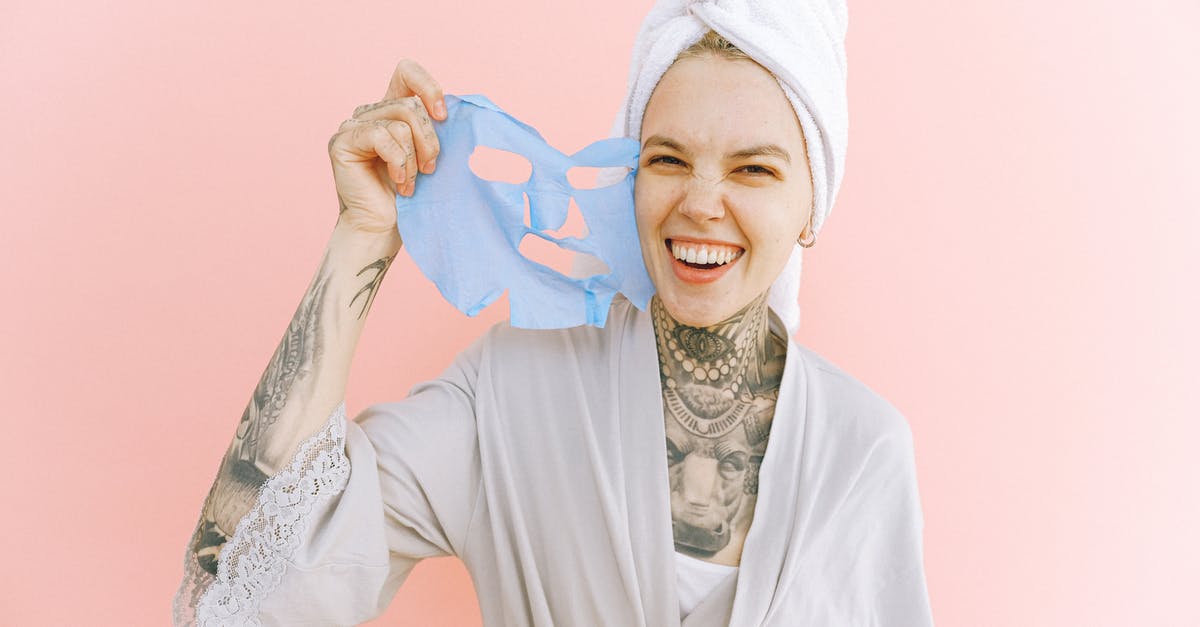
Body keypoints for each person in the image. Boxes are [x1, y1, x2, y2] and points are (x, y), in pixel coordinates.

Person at [173, 3, 934, 625]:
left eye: (755, 169)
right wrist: (361, 237)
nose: (702, 202)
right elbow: (247, 590)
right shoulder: (508, 388)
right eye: (666, 159)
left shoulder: (863, 452)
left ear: (812, 205)